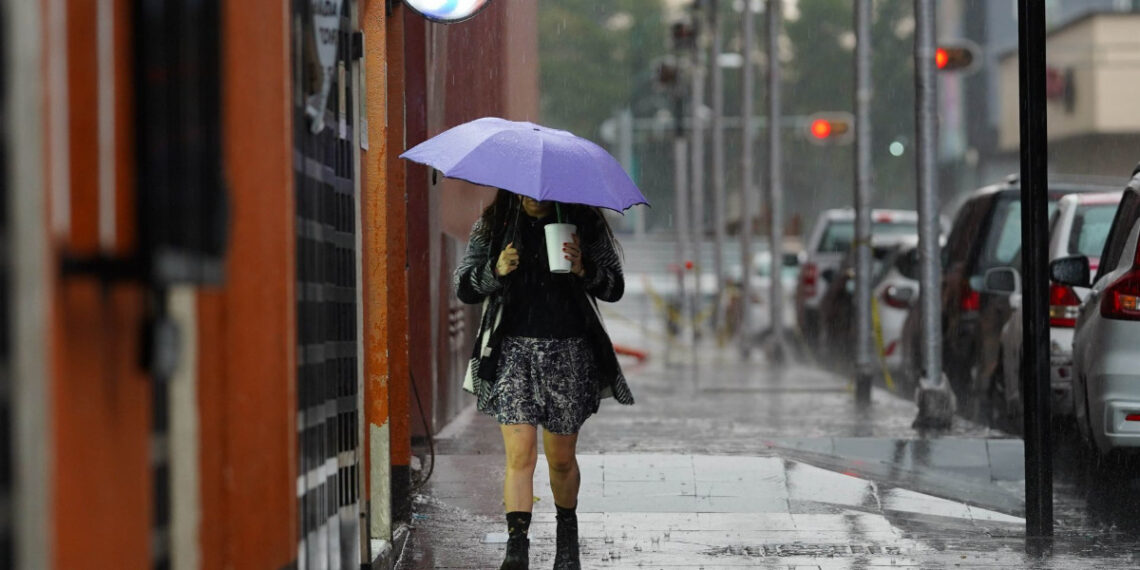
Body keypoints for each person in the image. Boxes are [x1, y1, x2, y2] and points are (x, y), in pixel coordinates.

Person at [454, 189, 635, 570]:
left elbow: (615, 287)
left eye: (543, 190)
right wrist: (495, 270)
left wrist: (585, 269)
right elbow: (465, 287)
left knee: (561, 460)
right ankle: (516, 549)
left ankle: (567, 539)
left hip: (569, 353)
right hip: (512, 354)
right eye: (526, 190)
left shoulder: (581, 224)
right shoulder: (495, 225)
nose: (533, 196)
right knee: (519, 456)